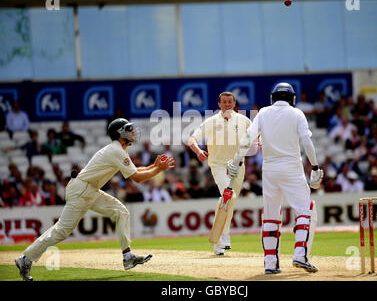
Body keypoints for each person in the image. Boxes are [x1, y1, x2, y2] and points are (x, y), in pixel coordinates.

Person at [14, 118, 175, 281]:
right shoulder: (117, 150)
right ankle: (26, 259)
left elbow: (135, 170)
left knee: (121, 212)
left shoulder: (119, 149)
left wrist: (154, 167)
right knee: (62, 231)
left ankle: (127, 256)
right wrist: (158, 169)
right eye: (128, 129)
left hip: (88, 189)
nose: (132, 132)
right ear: (119, 134)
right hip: (82, 190)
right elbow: (137, 178)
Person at [227, 82, 324, 274]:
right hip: (291, 168)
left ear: (273, 97)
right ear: (291, 98)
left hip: (270, 170)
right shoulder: (297, 114)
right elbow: (307, 142)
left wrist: (236, 161)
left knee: (270, 215)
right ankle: (300, 255)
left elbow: (248, 138)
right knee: (304, 210)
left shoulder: (263, 113)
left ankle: (270, 263)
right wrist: (314, 166)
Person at [188, 91, 252, 256]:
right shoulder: (211, 122)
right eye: (224, 102)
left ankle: (222, 237)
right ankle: (221, 237)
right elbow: (192, 139)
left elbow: (256, 136)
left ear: (234, 103)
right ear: (219, 104)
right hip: (218, 165)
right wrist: (198, 151)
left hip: (238, 166)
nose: (227, 105)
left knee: (229, 200)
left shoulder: (243, 120)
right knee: (229, 195)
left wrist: (259, 142)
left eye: (230, 102)